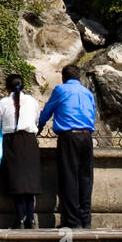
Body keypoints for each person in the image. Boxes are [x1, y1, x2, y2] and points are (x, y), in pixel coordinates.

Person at [38, 65, 96, 229]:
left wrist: (40, 125)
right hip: (86, 136)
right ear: (79, 77)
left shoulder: (61, 90)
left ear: (63, 77)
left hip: (69, 137)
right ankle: (86, 220)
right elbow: (93, 111)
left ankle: (72, 221)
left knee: (69, 178)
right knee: (86, 178)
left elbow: (48, 110)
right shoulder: (87, 92)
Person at [0, 73, 41, 229]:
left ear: (7, 87)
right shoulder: (32, 101)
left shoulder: (2, 103)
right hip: (29, 141)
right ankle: (31, 219)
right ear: (23, 86)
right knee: (30, 182)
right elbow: (36, 121)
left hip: (12, 142)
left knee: (16, 182)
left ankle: (20, 218)